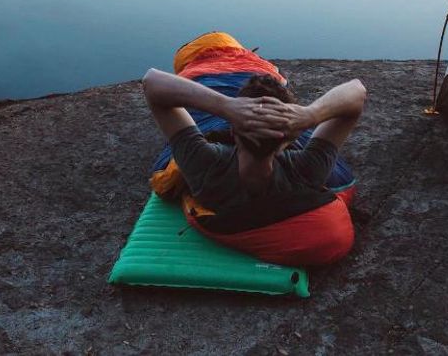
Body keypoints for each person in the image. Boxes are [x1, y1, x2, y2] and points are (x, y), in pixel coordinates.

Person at [140, 32, 367, 266]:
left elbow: (152, 81)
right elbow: (357, 91)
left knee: (212, 78)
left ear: (232, 131)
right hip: (267, 122)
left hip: (214, 91)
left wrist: (226, 106)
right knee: (253, 75)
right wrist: (310, 114)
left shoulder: (206, 165)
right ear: (288, 140)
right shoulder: (307, 170)